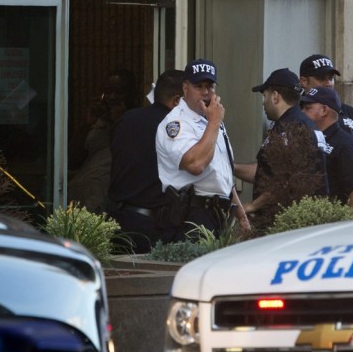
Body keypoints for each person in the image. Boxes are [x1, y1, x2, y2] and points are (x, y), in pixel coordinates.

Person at [155, 60, 249, 236]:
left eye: (210, 86)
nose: (206, 93)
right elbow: (195, 165)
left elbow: (222, 171)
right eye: (199, 86)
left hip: (218, 212)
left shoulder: (211, 119)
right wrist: (214, 121)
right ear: (185, 88)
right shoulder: (176, 123)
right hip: (191, 214)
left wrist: (240, 213)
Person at [234, 68, 328, 220]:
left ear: (275, 96)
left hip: (288, 220)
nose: (263, 103)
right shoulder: (302, 124)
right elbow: (266, 172)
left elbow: (285, 180)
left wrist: (252, 206)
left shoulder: (291, 129)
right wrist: (230, 167)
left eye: (265, 96)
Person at [108, 69, 184, 253]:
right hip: (152, 226)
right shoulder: (174, 128)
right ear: (177, 100)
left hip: (119, 220)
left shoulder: (126, 119)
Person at [298, 54, 353, 194]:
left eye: (331, 78)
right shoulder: (296, 116)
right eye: (321, 78)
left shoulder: (352, 114)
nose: (328, 83)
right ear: (304, 81)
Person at [68, 69, 138, 213]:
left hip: (107, 200)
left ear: (131, 95)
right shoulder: (99, 120)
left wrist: (119, 121)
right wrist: (88, 123)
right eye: (108, 91)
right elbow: (73, 159)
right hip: (81, 195)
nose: (112, 97)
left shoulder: (136, 120)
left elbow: (127, 154)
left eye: (118, 92)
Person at [301, 86, 353, 211]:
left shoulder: (347, 146)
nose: (302, 112)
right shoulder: (311, 140)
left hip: (332, 223)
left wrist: (346, 225)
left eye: (307, 108)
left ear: (324, 110)